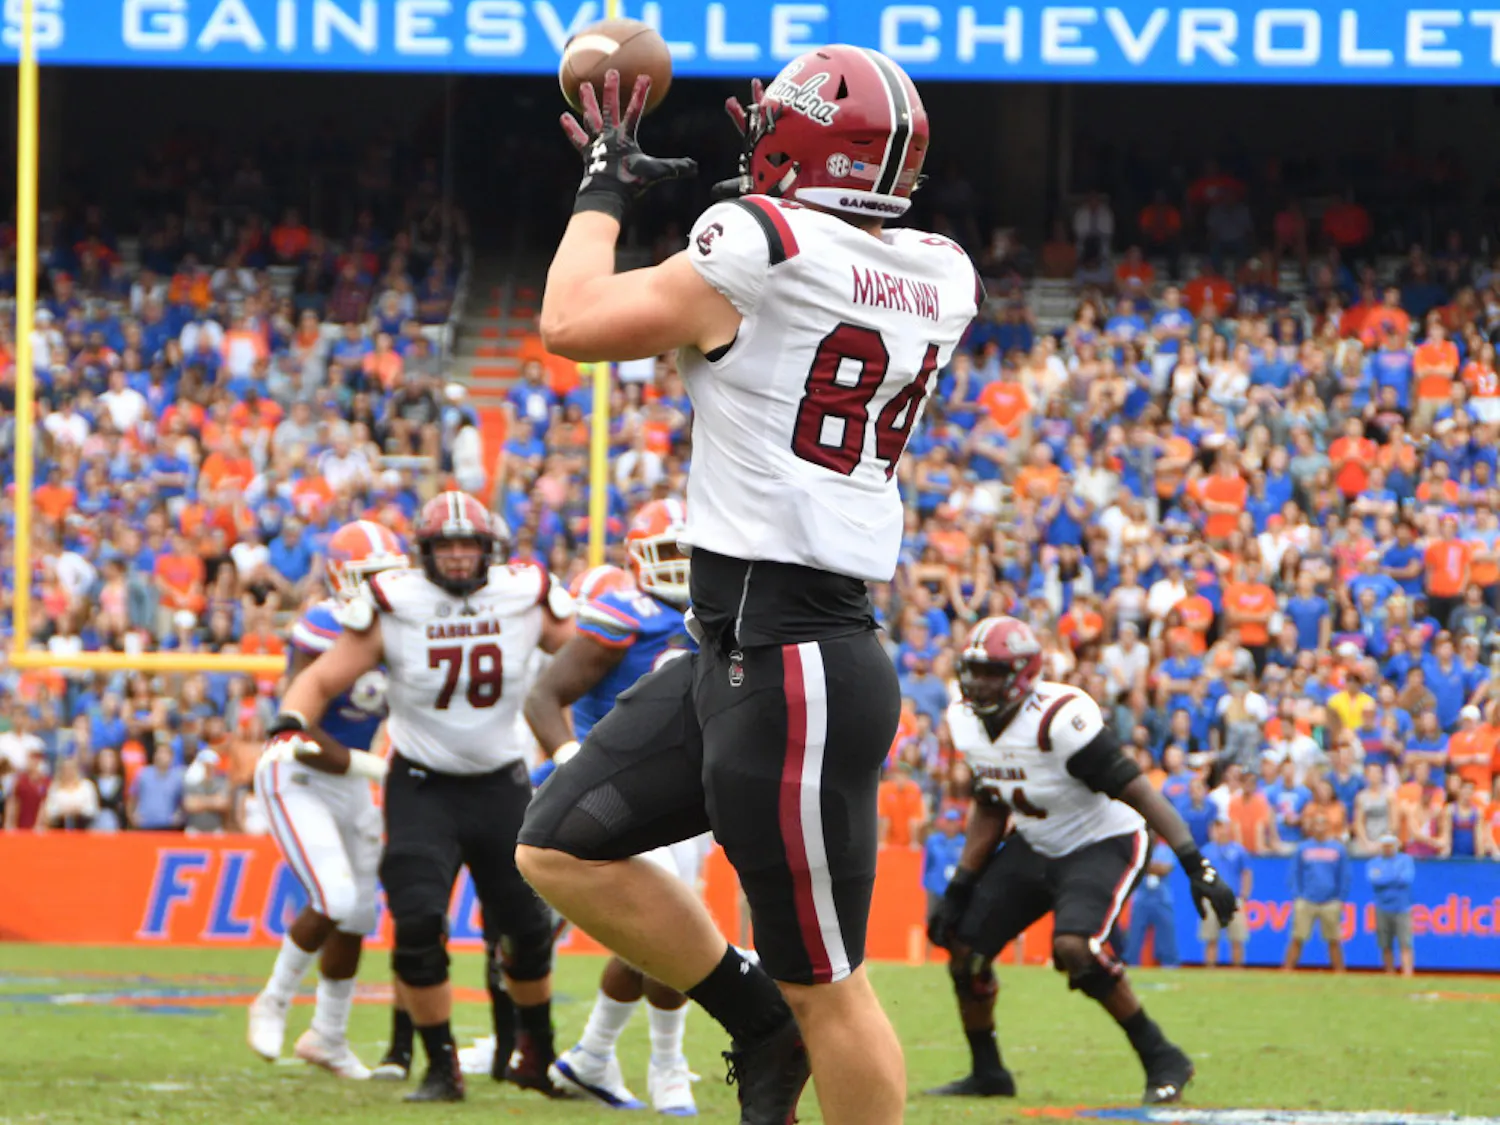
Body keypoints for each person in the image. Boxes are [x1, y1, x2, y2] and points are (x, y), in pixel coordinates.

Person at [517, 48, 982, 1125]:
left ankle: (785, 1016)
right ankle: (753, 1016)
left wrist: (602, 186)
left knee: (830, 978)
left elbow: (568, 325)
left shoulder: (760, 241)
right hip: (737, 643)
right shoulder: (941, 270)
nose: (750, 136)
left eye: (771, 124)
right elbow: (818, 273)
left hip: (797, 658)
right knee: (560, 840)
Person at [269, 492, 575, 1103]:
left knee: (526, 930)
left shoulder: (523, 593)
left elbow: (586, 654)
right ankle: (440, 1068)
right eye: (446, 544)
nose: (459, 556)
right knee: (414, 920)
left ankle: (536, 1054)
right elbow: (323, 675)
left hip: (500, 781)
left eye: (469, 544)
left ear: (490, 549)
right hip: (420, 784)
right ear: (424, 551)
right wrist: (291, 719)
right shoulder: (395, 601)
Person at [927, 617, 1237, 1103]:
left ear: (1024, 674)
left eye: (993, 672)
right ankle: (988, 1073)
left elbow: (1139, 790)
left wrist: (1196, 864)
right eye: (975, 671)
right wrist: (961, 886)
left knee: (1077, 948)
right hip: (1037, 839)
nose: (980, 682)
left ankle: (1162, 1057)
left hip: (1104, 840)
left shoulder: (1059, 718)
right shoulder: (964, 719)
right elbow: (990, 804)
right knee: (964, 948)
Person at [516, 501, 705, 1115]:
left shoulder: (720, 613)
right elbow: (545, 695)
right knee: (673, 928)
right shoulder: (625, 614)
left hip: (690, 794)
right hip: (624, 790)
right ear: (638, 562)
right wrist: (572, 759)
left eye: (688, 552)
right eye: (667, 553)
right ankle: (667, 1065)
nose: (680, 566)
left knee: (648, 936)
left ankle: (592, 1056)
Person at [246, 520, 407, 1080]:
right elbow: (294, 730)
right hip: (299, 774)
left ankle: (329, 1038)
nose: (383, 589)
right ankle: (272, 1000)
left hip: (350, 782)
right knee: (334, 896)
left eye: (391, 577)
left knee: (360, 913)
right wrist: (375, 767)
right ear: (343, 580)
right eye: (372, 578)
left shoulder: (401, 631)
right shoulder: (324, 625)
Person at [1283, 812, 1350, 972]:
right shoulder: (1303, 848)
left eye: (1323, 824)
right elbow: (1295, 873)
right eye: (1316, 824)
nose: (1319, 828)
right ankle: (1287, 970)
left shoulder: (1337, 849)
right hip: (1306, 900)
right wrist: (1297, 896)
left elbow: (1344, 875)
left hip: (1330, 901)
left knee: (1334, 940)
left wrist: (1340, 898)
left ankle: (1340, 972)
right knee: (1297, 937)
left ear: (1328, 827)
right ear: (1311, 827)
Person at [1200, 817, 1252, 967]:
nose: (1219, 831)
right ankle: (1210, 970)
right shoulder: (1206, 850)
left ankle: (1237, 970)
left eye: (1222, 827)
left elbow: (1246, 872)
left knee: (1237, 939)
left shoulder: (1238, 850)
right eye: (1216, 828)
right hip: (1211, 898)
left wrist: (1244, 894)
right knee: (1211, 938)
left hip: (1233, 898)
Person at [1124, 838, 1179, 968]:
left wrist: (1144, 865)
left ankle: (1170, 967)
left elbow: (1165, 868)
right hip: (1141, 899)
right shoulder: (1138, 847)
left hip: (1162, 900)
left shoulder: (1164, 850)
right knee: (1134, 939)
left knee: (1167, 938)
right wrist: (1153, 866)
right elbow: (1132, 866)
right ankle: (1132, 967)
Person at [1367, 833, 1415, 976]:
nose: (1388, 849)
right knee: (1385, 944)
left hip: (1402, 907)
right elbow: (1375, 880)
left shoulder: (1405, 860)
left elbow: (1406, 879)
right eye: (1385, 846)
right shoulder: (1374, 863)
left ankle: (1407, 973)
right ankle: (1389, 972)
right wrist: (1394, 876)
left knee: (1405, 943)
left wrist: (1386, 877)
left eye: (1390, 846)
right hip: (1382, 907)